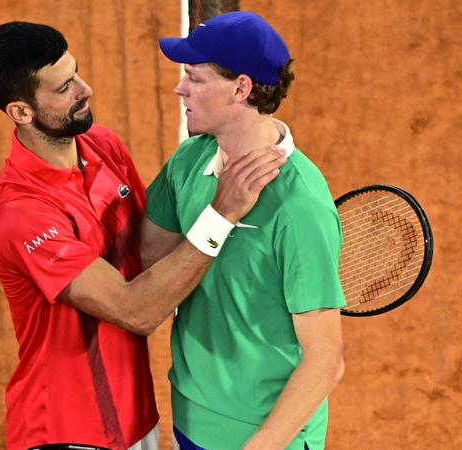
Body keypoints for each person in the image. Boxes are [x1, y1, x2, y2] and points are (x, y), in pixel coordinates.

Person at [0, 21, 286, 450]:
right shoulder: (22, 213)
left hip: (134, 417)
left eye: (76, 73)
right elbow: (134, 310)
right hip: (66, 430)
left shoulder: (102, 145)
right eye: (64, 88)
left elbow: (149, 252)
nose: (85, 90)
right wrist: (223, 213)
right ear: (21, 112)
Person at [142, 11, 346, 450]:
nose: (180, 88)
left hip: (261, 435)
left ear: (241, 88)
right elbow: (147, 262)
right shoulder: (189, 161)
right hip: (190, 417)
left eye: (195, 78)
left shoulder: (300, 206)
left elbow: (325, 361)